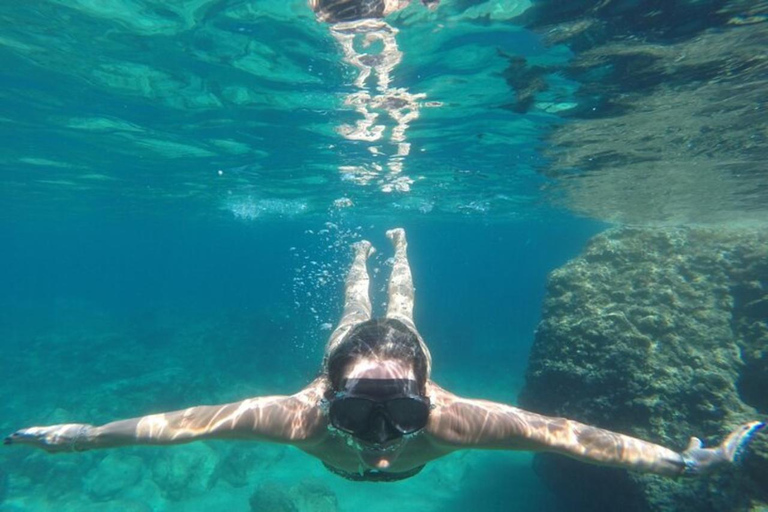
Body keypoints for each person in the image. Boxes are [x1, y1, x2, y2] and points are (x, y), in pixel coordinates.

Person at [4, 228, 765, 483]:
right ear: (327, 392)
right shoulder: (302, 418)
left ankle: (398, 247)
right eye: (359, 408)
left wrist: (676, 460)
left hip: (398, 350)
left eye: (398, 409)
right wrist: (84, 436)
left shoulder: (454, 421)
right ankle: (359, 255)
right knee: (352, 312)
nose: (377, 431)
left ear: (427, 394)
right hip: (349, 349)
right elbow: (181, 424)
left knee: (398, 310)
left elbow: (568, 433)